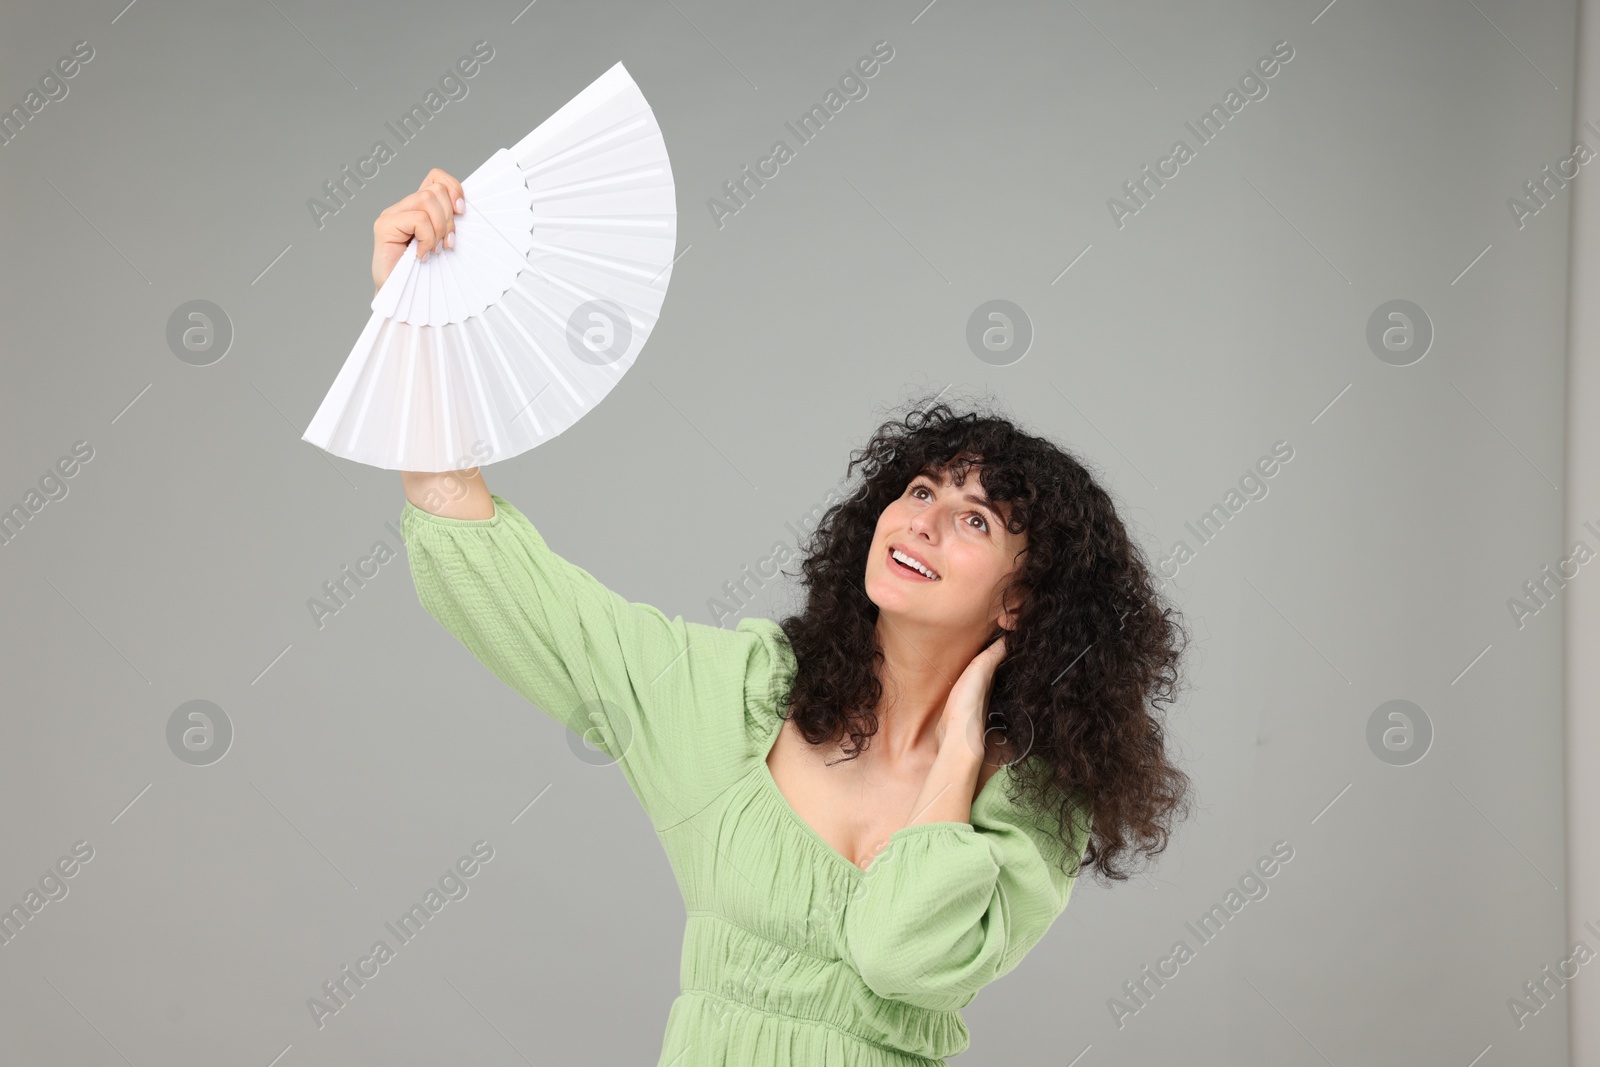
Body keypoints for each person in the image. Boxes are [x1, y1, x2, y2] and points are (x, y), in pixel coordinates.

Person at [385, 169, 1193, 1066]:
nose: (921, 517)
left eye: (974, 518)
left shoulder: (1031, 799)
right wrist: (418, 326)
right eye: (919, 489)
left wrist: (962, 747)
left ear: (1020, 596)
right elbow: (506, 584)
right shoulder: (740, 696)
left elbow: (901, 949)